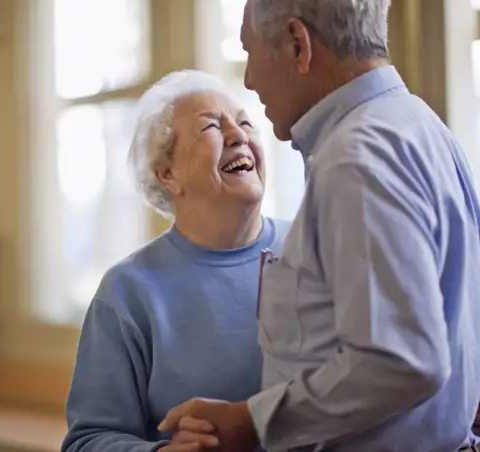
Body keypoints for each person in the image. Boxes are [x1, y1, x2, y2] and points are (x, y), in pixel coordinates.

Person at [159, 1, 480, 451]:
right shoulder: (423, 128)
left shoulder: (355, 157)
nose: (249, 80)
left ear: (298, 44)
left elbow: (402, 361)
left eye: (250, 53)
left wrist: (252, 423)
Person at [60, 70, 290, 452]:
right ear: (168, 174)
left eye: (245, 122)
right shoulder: (128, 291)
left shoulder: (315, 248)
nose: (239, 135)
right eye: (211, 127)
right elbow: (87, 441)